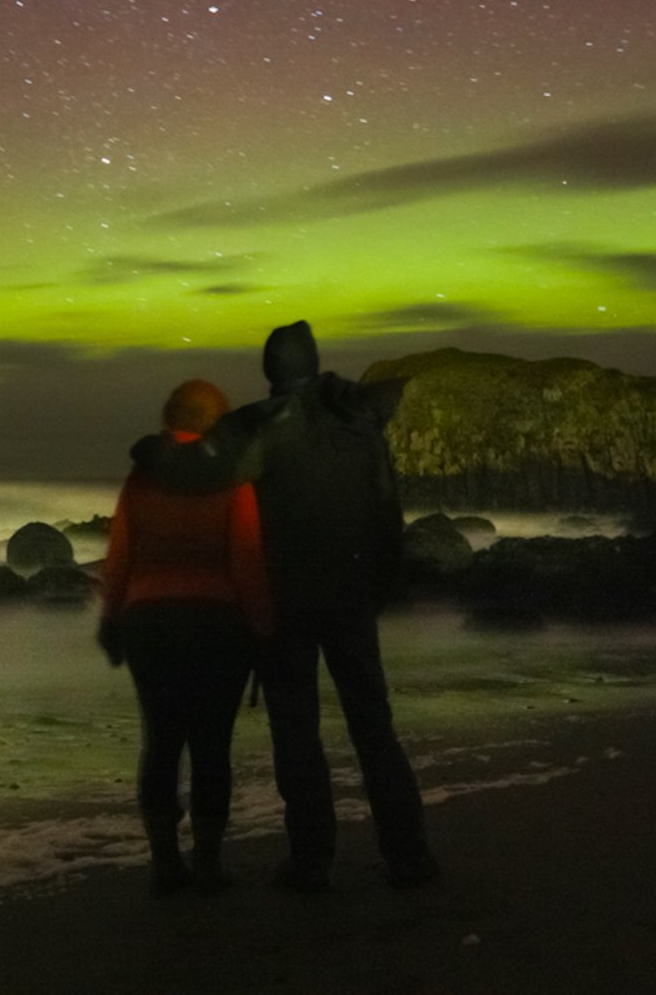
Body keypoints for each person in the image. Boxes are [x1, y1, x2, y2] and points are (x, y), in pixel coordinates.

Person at [132, 321, 438, 890]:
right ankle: (409, 854)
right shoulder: (360, 425)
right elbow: (386, 513)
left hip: (286, 605)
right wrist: (377, 588)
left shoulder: (258, 430)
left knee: (297, 734)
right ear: (314, 363)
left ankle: (311, 859)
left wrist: (154, 453)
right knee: (374, 727)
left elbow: (204, 483)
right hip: (350, 598)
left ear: (272, 370)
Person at [97, 378, 274, 894]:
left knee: (161, 741)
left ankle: (164, 861)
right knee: (212, 746)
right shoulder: (233, 478)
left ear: (168, 419)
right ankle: (209, 863)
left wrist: (111, 618)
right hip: (218, 624)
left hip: (150, 622)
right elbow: (247, 560)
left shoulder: (142, 477)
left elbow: (120, 556)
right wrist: (263, 630)